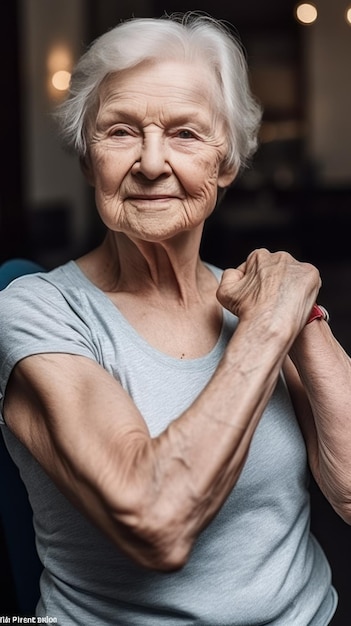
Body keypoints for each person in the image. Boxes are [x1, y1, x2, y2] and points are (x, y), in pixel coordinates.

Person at [0, 11, 349, 625]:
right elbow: (156, 522)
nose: (153, 163)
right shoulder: (36, 308)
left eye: (186, 134)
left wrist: (304, 317)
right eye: (121, 132)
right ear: (88, 160)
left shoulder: (258, 299)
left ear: (227, 164)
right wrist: (269, 327)